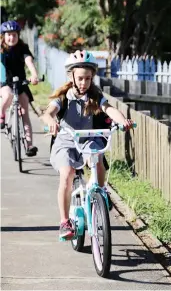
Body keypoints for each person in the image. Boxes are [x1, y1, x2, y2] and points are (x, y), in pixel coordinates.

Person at [42, 50, 133, 240]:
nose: (84, 83)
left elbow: (110, 110)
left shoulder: (95, 96)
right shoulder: (64, 97)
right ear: (72, 77)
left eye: (88, 78)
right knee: (67, 175)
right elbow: (48, 112)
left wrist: (123, 120)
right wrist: (51, 120)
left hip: (89, 137)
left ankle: (100, 192)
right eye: (80, 78)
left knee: (98, 158)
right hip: (66, 140)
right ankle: (64, 221)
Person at [0, 20, 38, 157]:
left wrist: (34, 75)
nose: (11, 38)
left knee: (24, 112)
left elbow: (29, 61)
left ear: (18, 35)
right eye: (8, 35)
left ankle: (29, 145)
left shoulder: (23, 48)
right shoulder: (1, 48)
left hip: (21, 82)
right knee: (8, 95)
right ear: (3, 36)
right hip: (4, 82)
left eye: (14, 35)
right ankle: (2, 114)